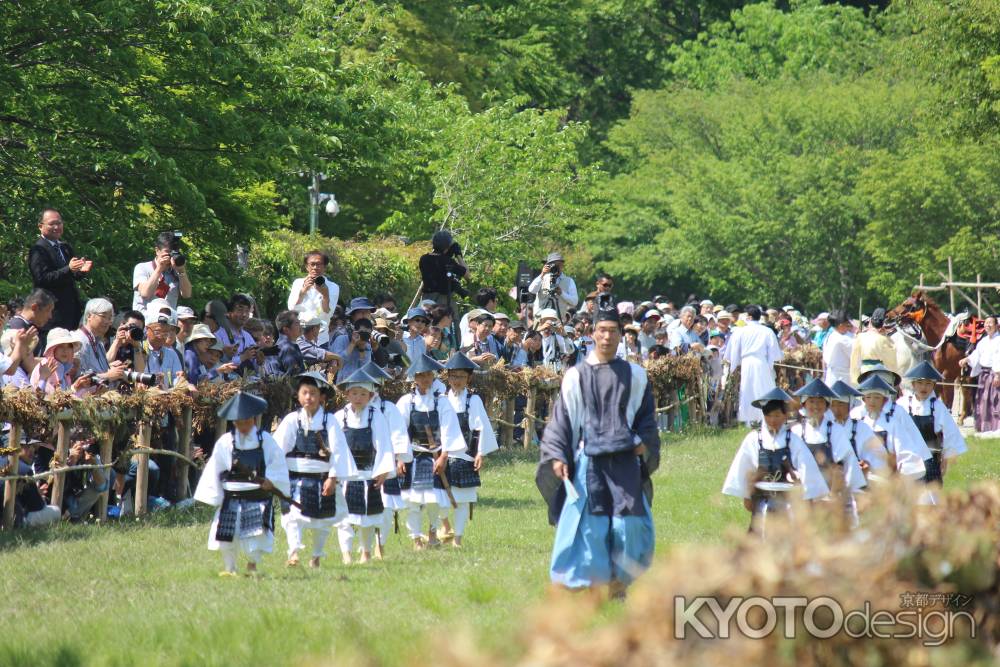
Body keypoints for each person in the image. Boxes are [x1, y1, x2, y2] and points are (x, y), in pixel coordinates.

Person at [537, 305, 660, 597]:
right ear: (592, 334)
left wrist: (645, 441)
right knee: (590, 526)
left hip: (626, 461)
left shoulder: (636, 375)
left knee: (628, 525)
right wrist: (557, 456)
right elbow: (562, 420)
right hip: (589, 462)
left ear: (621, 335)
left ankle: (620, 581)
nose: (607, 337)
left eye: (613, 331)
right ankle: (590, 584)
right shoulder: (575, 376)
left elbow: (646, 419)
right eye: (602, 330)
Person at [193, 392, 290, 576]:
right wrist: (215, 495)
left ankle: (252, 565)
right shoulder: (225, 442)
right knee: (225, 535)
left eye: (246, 421)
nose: (243, 426)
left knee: (256, 535)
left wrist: (271, 480)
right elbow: (216, 468)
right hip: (232, 496)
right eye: (239, 422)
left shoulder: (266, 441)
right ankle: (230, 568)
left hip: (257, 497)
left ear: (253, 419)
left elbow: (276, 463)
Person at [272, 372, 356, 568]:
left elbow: (339, 451)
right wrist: (276, 475)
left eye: (313, 393)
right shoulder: (292, 420)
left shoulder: (329, 421)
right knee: (292, 517)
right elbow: (277, 450)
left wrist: (333, 478)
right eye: (305, 393)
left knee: (323, 521)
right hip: (295, 479)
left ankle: (316, 556)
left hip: (322, 478)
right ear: (298, 396)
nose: (308, 397)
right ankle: (293, 553)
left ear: (321, 397)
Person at [722, 388, 830, 534]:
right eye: (769, 415)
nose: (773, 420)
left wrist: (806, 495)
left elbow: (807, 471)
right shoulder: (754, 439)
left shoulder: (793, 440)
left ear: (785, 416)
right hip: (761, 501)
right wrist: (747, 493)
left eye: (777, 415)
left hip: (787, 503)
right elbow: (743, 468)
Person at [395, 354, 466, 550]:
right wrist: (400, 458)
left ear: (433, 377)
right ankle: (416, 539)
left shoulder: (441, 402)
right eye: (421, 375)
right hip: (414, 456)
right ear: (414, 378)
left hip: (436, 457)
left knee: (435, 500)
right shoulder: (406, 402)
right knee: (414, 502)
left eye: (428, 375)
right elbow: (400, 431)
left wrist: (444, 456)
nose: (425, 379)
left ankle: (433, 533)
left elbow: (449, 429)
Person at [334, 369, 396, 564]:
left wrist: (383, 470)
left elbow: (383, 443)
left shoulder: (376, 415)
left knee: (368, 518)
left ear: (370, 395)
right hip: (346, 475)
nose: (358, 397)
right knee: (345, 518)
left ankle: (366, 552)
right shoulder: (338, 417)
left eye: (363, 394)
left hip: (368, 472)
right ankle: (346, 554)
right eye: (354, 393)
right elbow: (334, 447)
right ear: (347, 394)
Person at [790, 379, 867, 526]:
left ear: (826, 406)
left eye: (820, 402)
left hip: (831, 493)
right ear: (804, 404)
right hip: (803, 495)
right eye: (811, 401)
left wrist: (834, 495)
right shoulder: (796, 431)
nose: (815, 406)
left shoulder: (835, 431)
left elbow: (845, 465)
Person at [440, 353, 498, 547]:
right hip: (443, 456)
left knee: (463, 500)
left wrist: (480, 453)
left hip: (466, 455)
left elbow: (481, 427)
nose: (457, 381)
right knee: (438, 498)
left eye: (461, 377)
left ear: (469, 378)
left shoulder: (473, 400)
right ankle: (443, 527)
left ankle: (458, 539)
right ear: (448, 377)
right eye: (453, 376)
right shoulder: (440, 399)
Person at [897, 361, 967, 486]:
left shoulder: (938, 407)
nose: (924, 387)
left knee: (930, 499)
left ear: (933, 385)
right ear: (913, 384)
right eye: (920, 383)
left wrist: (946, 458)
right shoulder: (902, 405)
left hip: (931, 461)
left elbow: (951, 434)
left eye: (928, 384)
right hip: (908, 460)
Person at [850, 374, 930, 481]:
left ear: (884, 400)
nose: (872, 401)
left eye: (877, 397)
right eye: (868, 397)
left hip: (886, 481)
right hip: (860, 479)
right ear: (864, 399)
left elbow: (906, 454)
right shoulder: (858, 422)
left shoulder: (892, 424)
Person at [28, 208, 90, 335]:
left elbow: (71, 276)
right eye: (52, 224)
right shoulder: (38, 249)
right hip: (52, 313)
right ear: (41, 226)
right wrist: (69, 269)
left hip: (71, 310)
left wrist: (81, 271)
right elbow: (41, 279)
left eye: (59, 223)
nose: (56, 227)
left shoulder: (65, 247)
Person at [723, 305, 783, 425]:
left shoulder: (740, 331)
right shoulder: (767, 331)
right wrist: (769, 364)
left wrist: (735, 364)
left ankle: (750, 420)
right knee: (762, 388)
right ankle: (760, 417)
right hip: (762, 362)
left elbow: (733, 351)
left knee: (748, 389)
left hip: (747, 362)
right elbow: (774, 352)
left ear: (749, 317)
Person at [827, 380, 888, 478]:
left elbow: (879, 455)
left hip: (858, 478)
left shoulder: (862, 428)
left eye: (840, 404)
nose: (836, 409)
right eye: (832, 405)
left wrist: (867, 464)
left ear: (850, 405)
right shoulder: (826, 428)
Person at [287, 251, 339, 346]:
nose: (315, 267)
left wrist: (325, 295)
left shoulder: (332, 287)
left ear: (325, 267)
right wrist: (303, 292)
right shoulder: (298, 283)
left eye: (319, 264)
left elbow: (327, 314)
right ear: (307, 266)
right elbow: (292, 309)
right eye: (312, 264)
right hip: (299, 337)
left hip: (320, 339)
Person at [132, 231, 192, 311]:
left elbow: (187, 294)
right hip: (145, 319)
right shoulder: (142, 267)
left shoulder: (177, 272)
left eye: (173, 252)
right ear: (157, 251)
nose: (171, 255)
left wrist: (181, 271)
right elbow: (145, 294)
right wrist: (159, 269)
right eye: (167, 252)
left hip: (167, 321)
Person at [1, 289, 54, 380]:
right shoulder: (18, 328)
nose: (50, 316)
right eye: (48, 310)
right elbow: (28, 365)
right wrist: (46, 362)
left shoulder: (29, 327)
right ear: (34, 307)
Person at [961, 315, 1000, 434]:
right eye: (986, 323)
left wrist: (998, 374)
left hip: (995, 374)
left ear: (996, 325)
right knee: (983, 400)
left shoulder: (999, 340)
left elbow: (998, 357)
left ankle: (996, 427)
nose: (987, 325)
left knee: (995, 400)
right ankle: (985, 427)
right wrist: (967, 359)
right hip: (984, 374)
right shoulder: (983, 341)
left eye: (990, 323)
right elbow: (977, 354)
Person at [30, 328, 97, 396]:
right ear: (52, 349)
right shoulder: (46, 366)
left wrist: (76, 388)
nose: (65, 350)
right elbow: (48, 399)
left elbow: (63, 399)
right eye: (60, 346)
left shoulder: (64, 370)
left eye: (69, 346)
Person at [75, 298, 128, 384]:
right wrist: (107, 376)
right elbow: (78, 377)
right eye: (103, 316)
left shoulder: (99, 342)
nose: (108, 322)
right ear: (89, 316)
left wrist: (111, 368)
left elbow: (96, 370)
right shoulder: (79, 341)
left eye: (110, 318)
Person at [418, 230, 469, 318]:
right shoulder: (448, 261)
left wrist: (446, 253)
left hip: (427, 300)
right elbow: (467, 275)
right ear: (447, 246)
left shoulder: (424, 259)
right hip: (443, 301)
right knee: (451, 323)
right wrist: (458, 255)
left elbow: (437, 262)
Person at [849, 308, 899, 384]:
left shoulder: (860, 337)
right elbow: (891, 362)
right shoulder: (884, 340)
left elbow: (854, 359)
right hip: (881, 373)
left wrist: (855, 378)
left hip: (864, 372)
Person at [214, 294, 258, 375]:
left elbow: (255, 365)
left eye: (247, 311)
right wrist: (243, 357)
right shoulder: (218, 335)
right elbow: (217, 367)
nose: (244, 314)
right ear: (228, 313)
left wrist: (260, 361)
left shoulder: (247, 337)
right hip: (226, 385)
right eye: (240, 310)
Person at [528, 252, 578, 318]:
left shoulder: (569, 281)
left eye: (558, 265)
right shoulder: (542, 278)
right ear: (548, 265)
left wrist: (562, 293)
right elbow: (531, 290)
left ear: (562, 265)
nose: (555, 267)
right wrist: (542, 274)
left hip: (558, 322)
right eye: (553, 264)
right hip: (540, 320)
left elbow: (575, 302)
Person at [822, 311, 854, 386]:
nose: (848, 326)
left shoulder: (831, 335)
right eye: (846, 324)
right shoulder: (841, 339)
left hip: (834, 374)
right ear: (840, 325)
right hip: (841, 376)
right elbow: (856, 352)